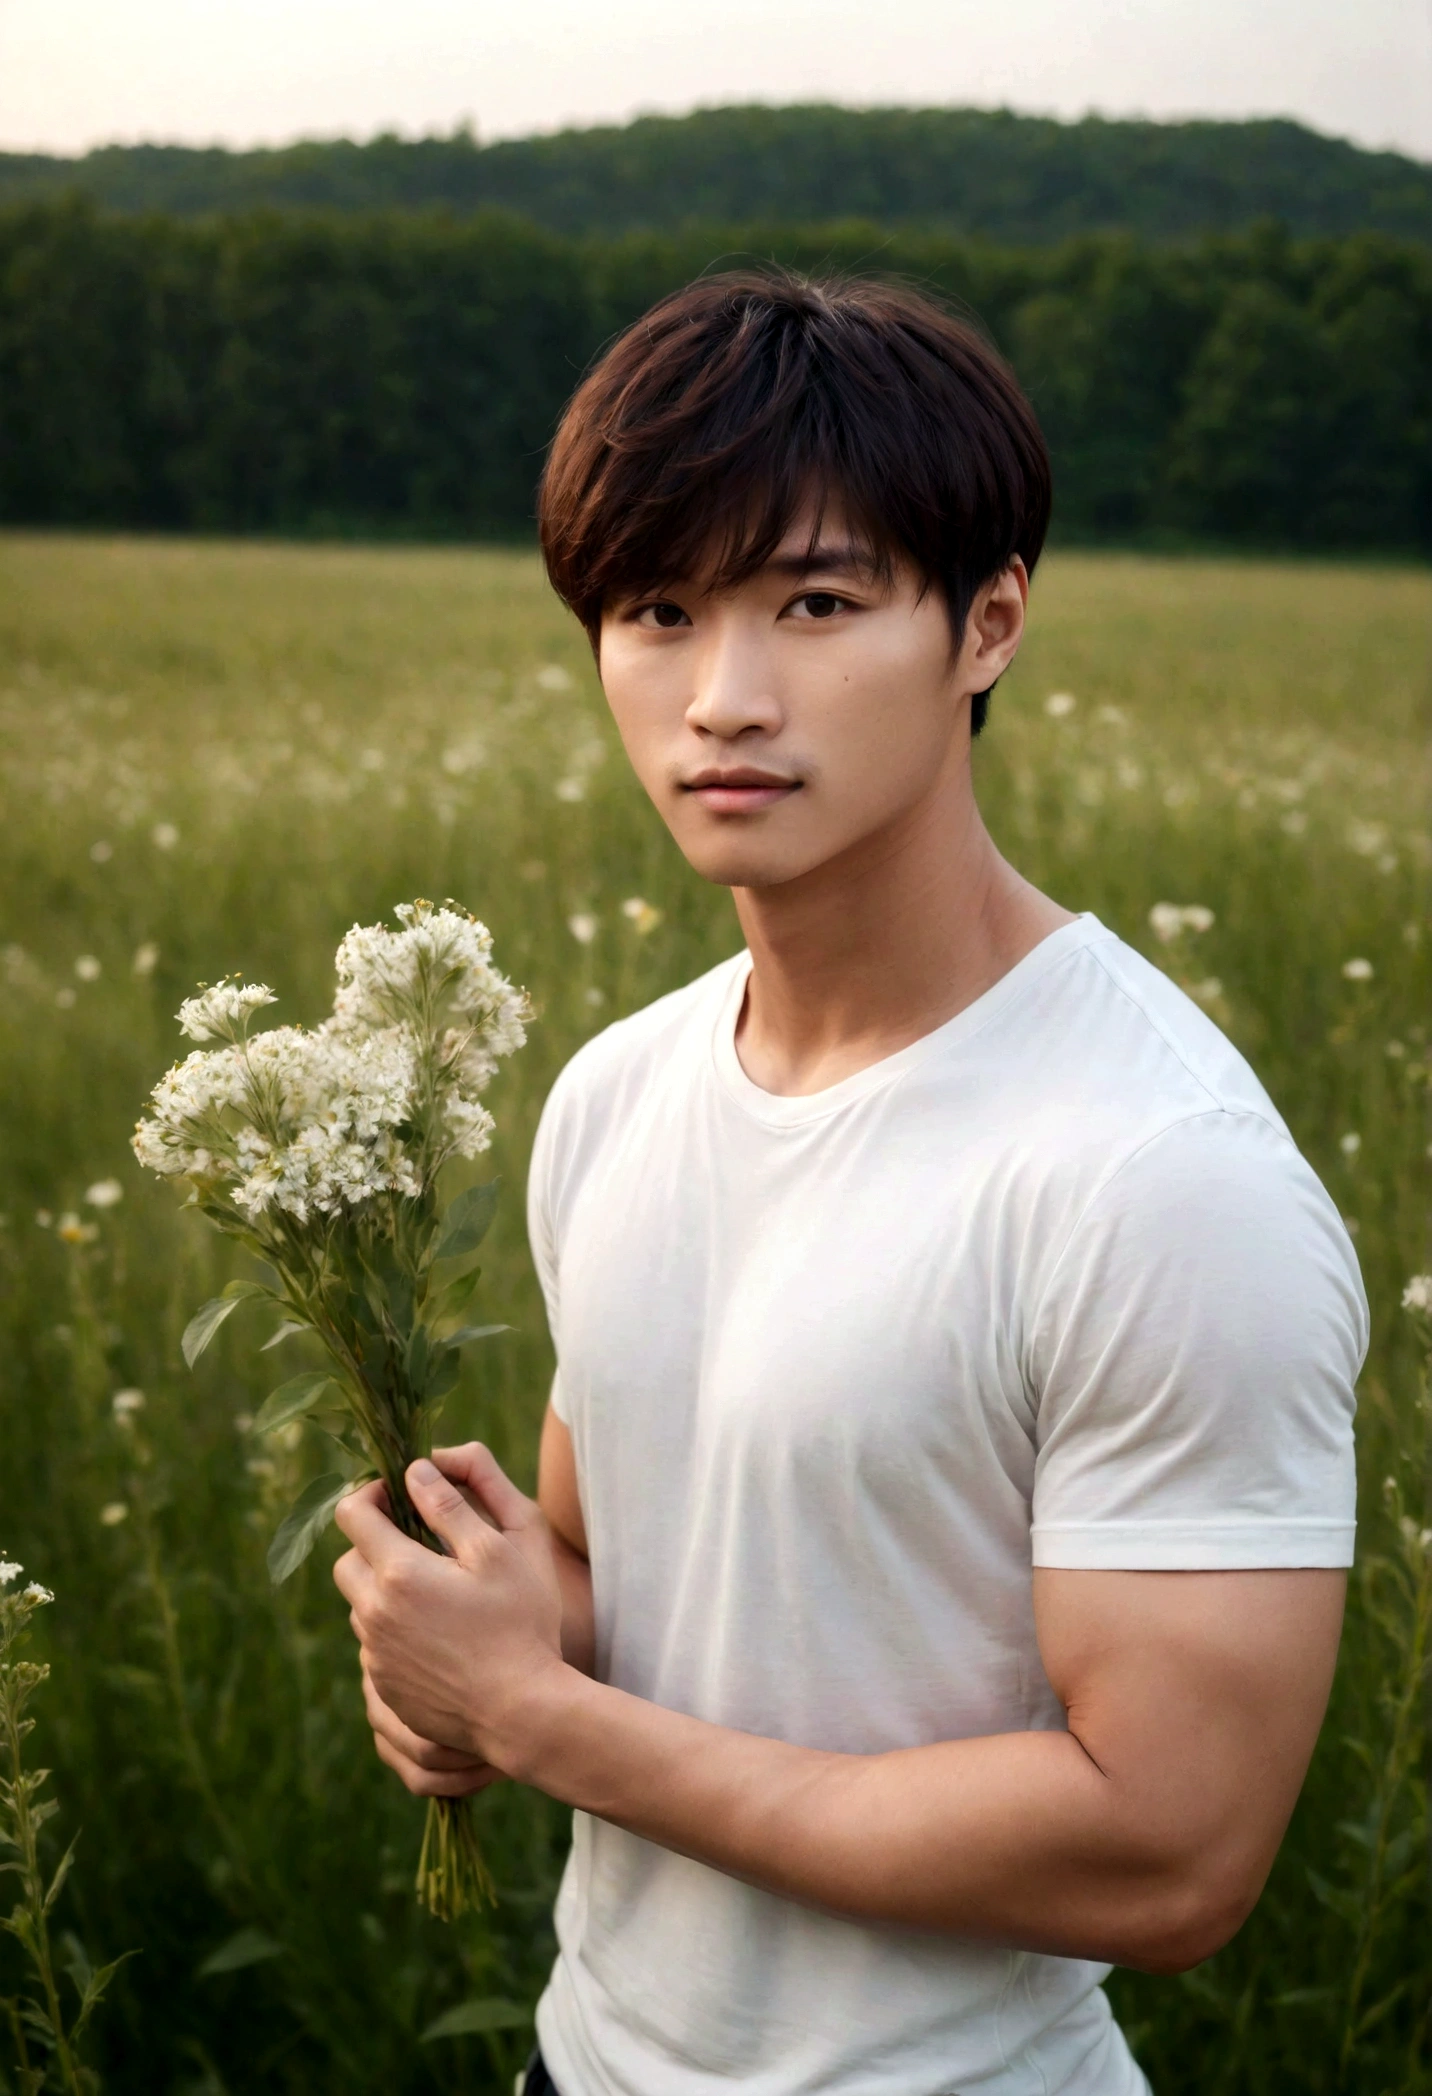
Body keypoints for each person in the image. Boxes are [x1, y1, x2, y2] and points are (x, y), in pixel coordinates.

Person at [333, 271, 1366, 2096]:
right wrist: (469, 1646)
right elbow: (618, 1582)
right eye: (659, 610)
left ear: (989, 624)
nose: (724, 697)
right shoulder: (617, 1091)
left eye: (817, 602)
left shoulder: (1156, 1177)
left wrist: (545, 1720)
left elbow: (1174, 1851)